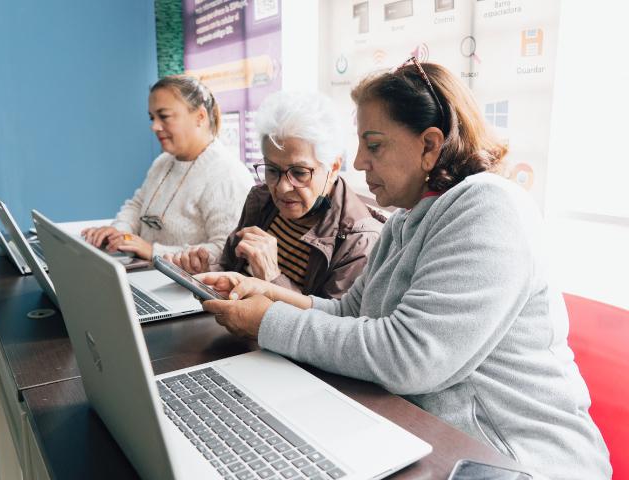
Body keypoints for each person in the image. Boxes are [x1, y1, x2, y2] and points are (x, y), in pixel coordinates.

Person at [197, 61, 612, 480]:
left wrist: (268, 322)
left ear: (429, 145)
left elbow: (411, 356)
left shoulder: (489, 206)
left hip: (515, 462)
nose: (359, 162)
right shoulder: (404, 220)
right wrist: (266, 293)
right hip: (430, 442)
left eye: (373, 145)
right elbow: (348, 315)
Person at [165, 91, 384, 299]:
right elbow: (230, 267)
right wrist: (207, 271)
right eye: (271, 170)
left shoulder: (359, 240)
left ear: (334, 167)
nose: (281, 187)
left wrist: (271, 277)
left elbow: (331, 330)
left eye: (299, 173)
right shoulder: (261, 200)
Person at [81, 75, 254, 260]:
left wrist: (154, 252)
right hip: (147, 273)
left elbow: (226, 252)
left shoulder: (228, 175)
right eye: (152, 118)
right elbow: (137, 205)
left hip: (187, 286)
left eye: (164, 116)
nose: (154, 126)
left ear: (200, 116)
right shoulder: (163, 162)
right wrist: (118, 232)